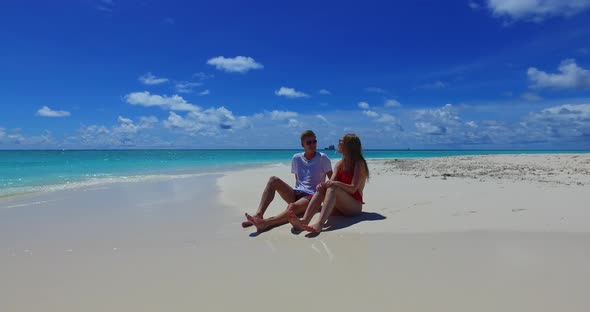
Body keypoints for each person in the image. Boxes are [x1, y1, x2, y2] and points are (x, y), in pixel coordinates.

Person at [244, 130, 333, 232]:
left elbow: (332, 180)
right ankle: (259, 214)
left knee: (292, 207)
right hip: (296, 192)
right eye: (309, 142)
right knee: (273, 180)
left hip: (311, 196)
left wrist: (322, 199)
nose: (313, 144)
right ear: (302, 145)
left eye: (314, 141)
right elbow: (298, 179)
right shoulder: (296, 158)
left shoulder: (322, 158)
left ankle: (266, 224)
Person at [288, 133, 369, 234]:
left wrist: (334, 184)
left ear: (349, 146)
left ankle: (320, 224)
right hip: (339, 207)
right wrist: (323, 185)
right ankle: (304, 221)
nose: (338, 143)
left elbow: (353, 188)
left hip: (354, 207)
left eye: (341, 141)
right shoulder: (340, 164)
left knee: (332, 188)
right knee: (322, 188)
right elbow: (331, 182)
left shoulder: (359, 163)